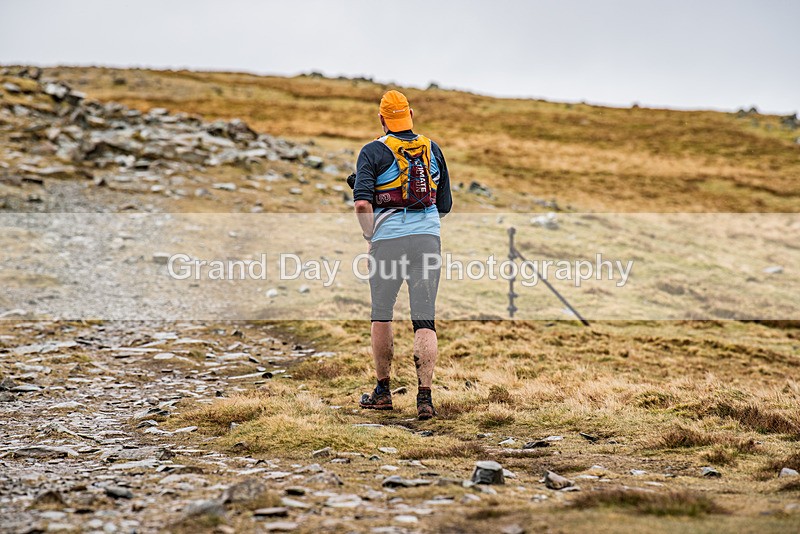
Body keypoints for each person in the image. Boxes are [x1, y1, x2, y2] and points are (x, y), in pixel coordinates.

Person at [352, 90, 452, 420]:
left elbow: (363, 203)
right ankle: (425, 398)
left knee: (382, 313)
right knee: (424, 318)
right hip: (427, 240)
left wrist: (370, 234)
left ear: (382, 119)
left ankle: (382, 392)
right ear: (410, 114)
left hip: (388, 243)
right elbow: (445, 205)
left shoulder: (372, 151)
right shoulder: (432, 149)